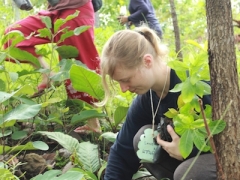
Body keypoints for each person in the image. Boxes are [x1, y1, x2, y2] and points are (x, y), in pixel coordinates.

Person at [98, 26, 216, 180]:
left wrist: (189, 150)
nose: (124, 89)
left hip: (223, 157)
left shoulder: (194, 85)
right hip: (184, 163)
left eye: (126, 80)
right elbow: (121, 152)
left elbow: (230, 140)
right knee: (142, 138)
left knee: (188, 174)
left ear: (147, 61)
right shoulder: (147, 98)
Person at [4, 0, 101, 133]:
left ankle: (94, 123)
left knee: (79, 65)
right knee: (12, 35)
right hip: (55, 10)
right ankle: (48, 74)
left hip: (76, 8)